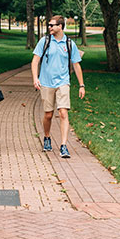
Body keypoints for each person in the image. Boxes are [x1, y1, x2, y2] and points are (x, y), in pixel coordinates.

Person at [31, 15, 85, 157]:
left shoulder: (69, 43)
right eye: (49, 25)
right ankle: (47, 137)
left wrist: (81, 85)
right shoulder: (45, 41)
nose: (49, 27)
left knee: (63, 113)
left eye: (52, 25)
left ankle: (63, 145)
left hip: (63, 82)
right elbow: (35, 61)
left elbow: (76, 64)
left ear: (60, 26)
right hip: (46, 82)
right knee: (48, 114)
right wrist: (35, 78)